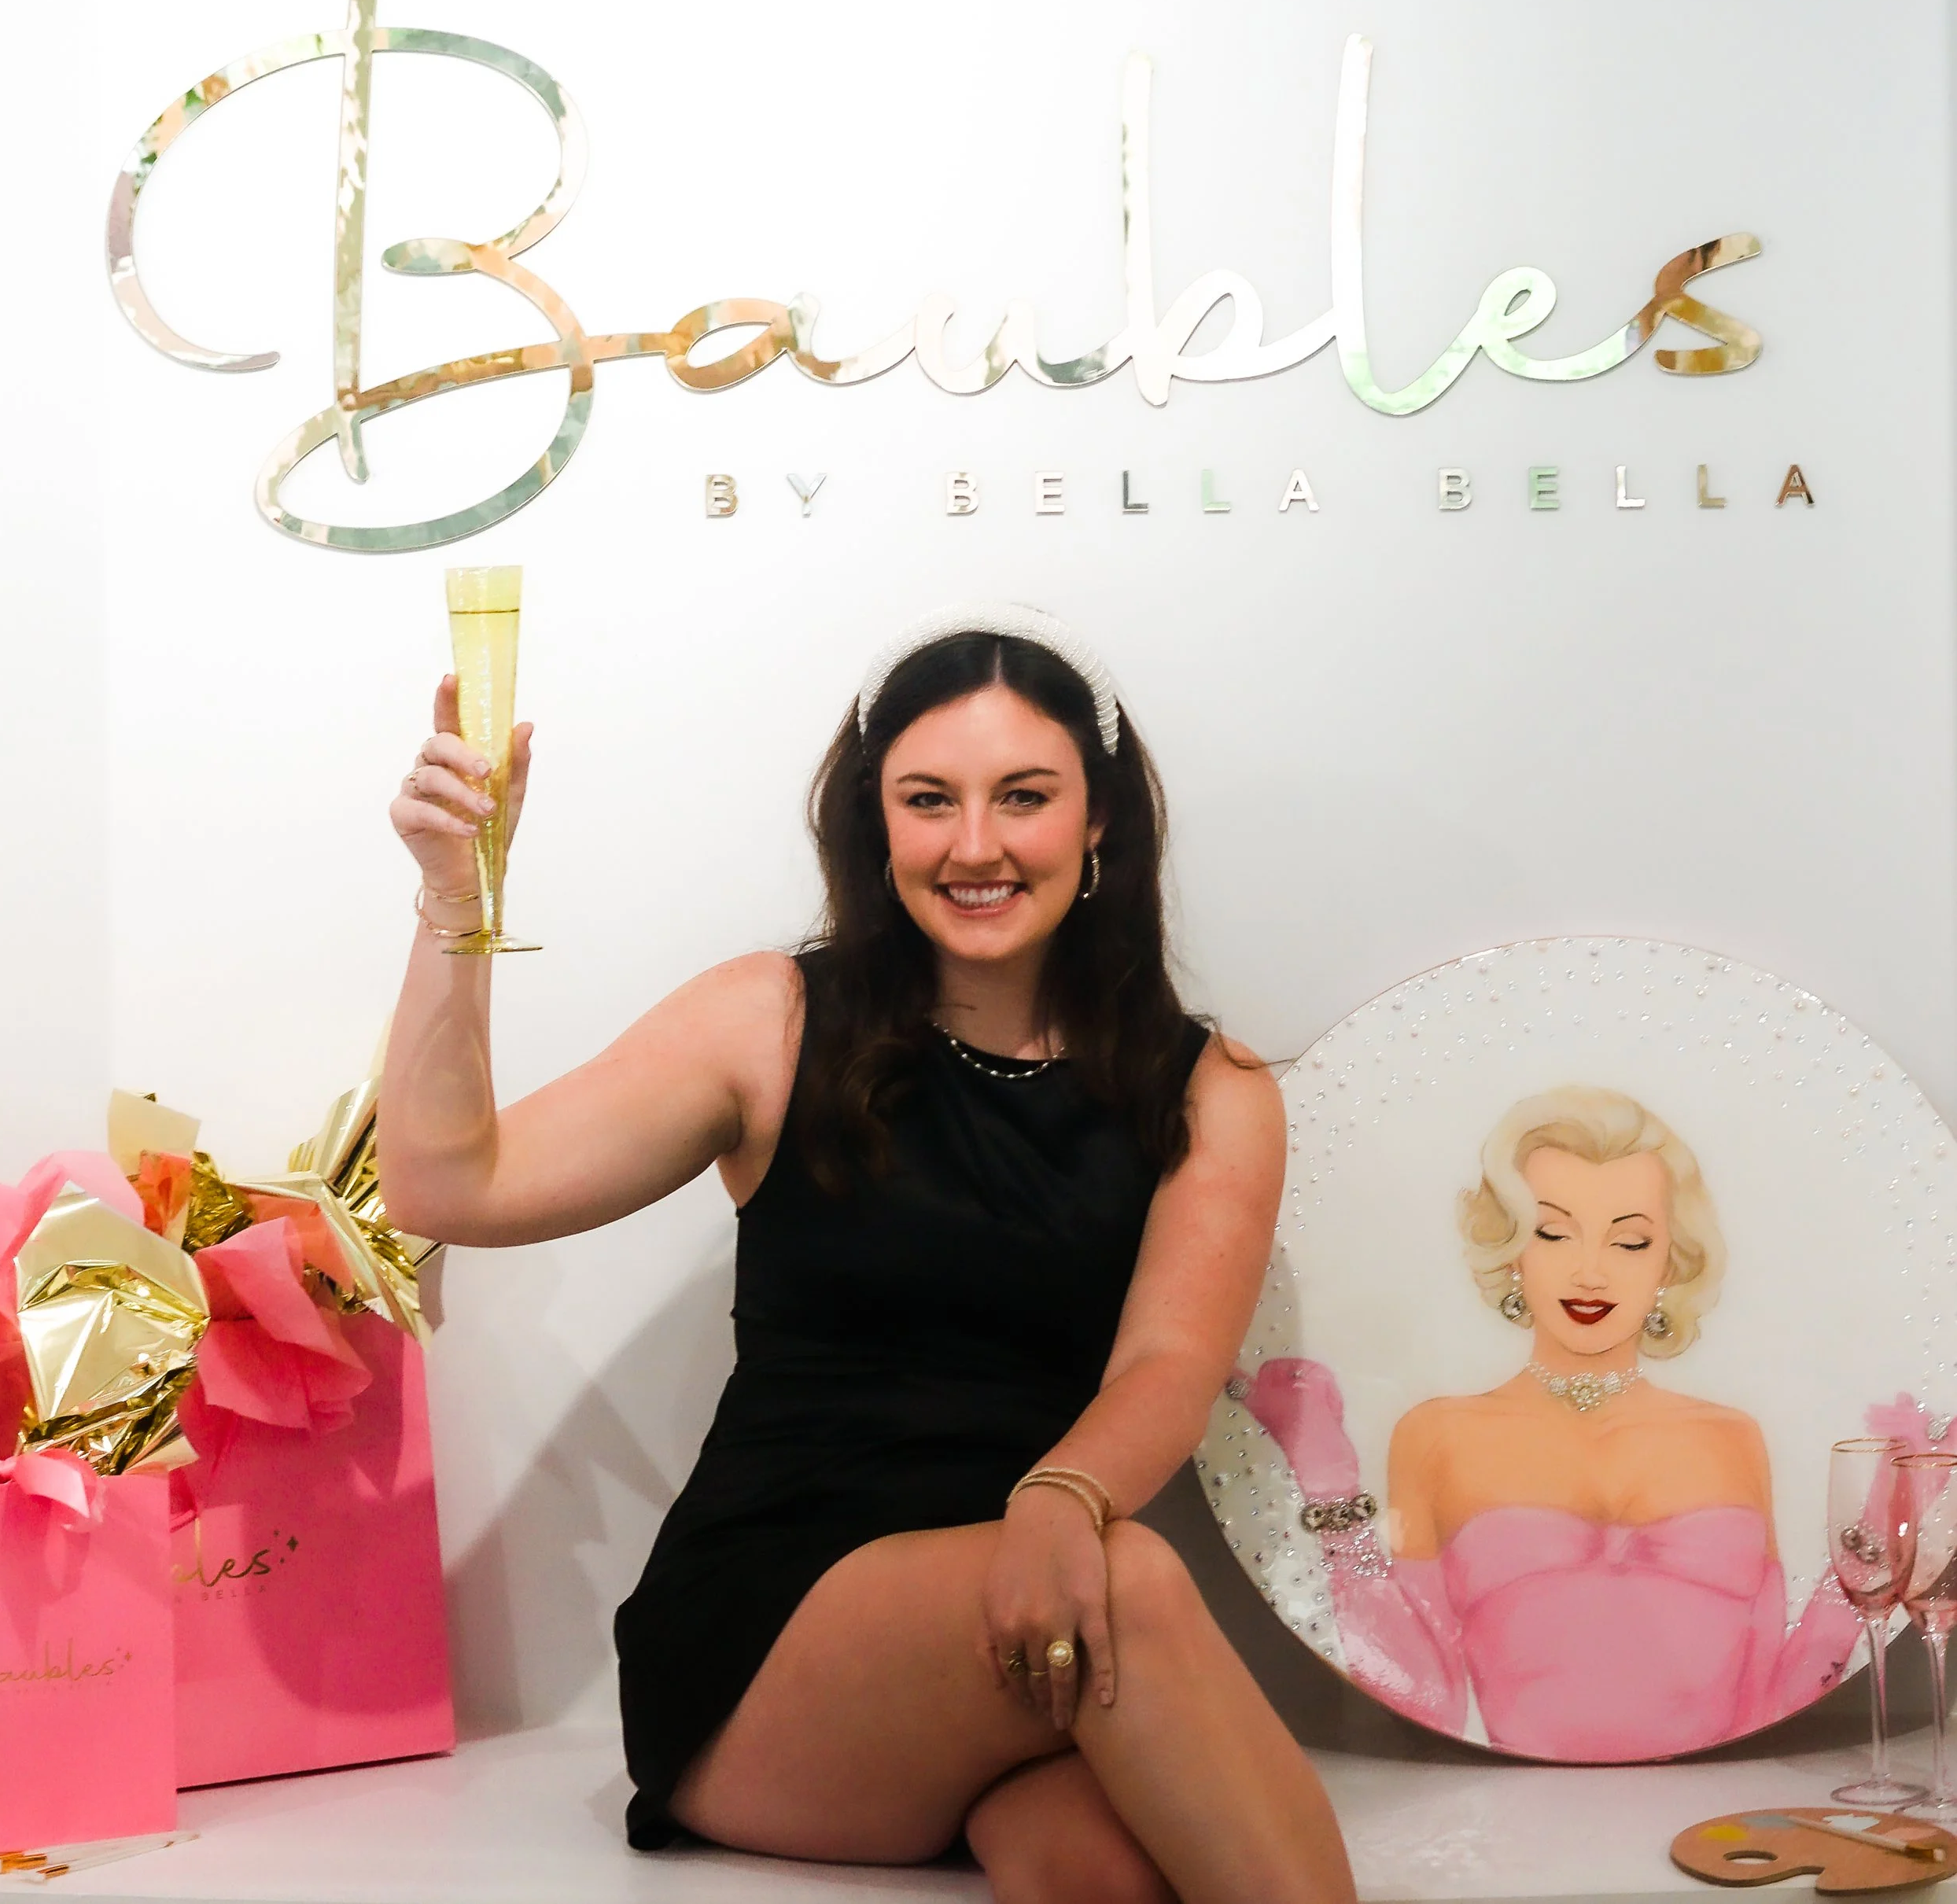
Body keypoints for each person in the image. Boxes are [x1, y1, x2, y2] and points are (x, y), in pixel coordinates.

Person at [381, 601, 1354, 1904]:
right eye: (927, 799)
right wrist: (457, 898)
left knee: (1101, 1868)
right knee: (1129, 1580)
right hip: (770, 1646)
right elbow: (447, 1184)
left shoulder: (1212, 1089)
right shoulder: (772, 1021)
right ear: (875, 819)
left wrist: (1055, 1498)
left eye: (1024, 796)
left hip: (1030, 1608)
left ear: (1101, 820)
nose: (974, 844)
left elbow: (1168, 1365)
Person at [1237, 1085, 1859, 1761]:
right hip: (1517, 1804)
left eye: (1630, 1241)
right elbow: (1422, 1699)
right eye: (1554, 1232)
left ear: (1671, 1260)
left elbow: (1772, 1701)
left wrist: (1874, 1541)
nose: (1590, 1271)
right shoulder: (1437, 1434)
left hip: (1722, 1797)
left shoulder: (1732, 1437)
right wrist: (1329, 1483)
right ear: (1511, 1251)